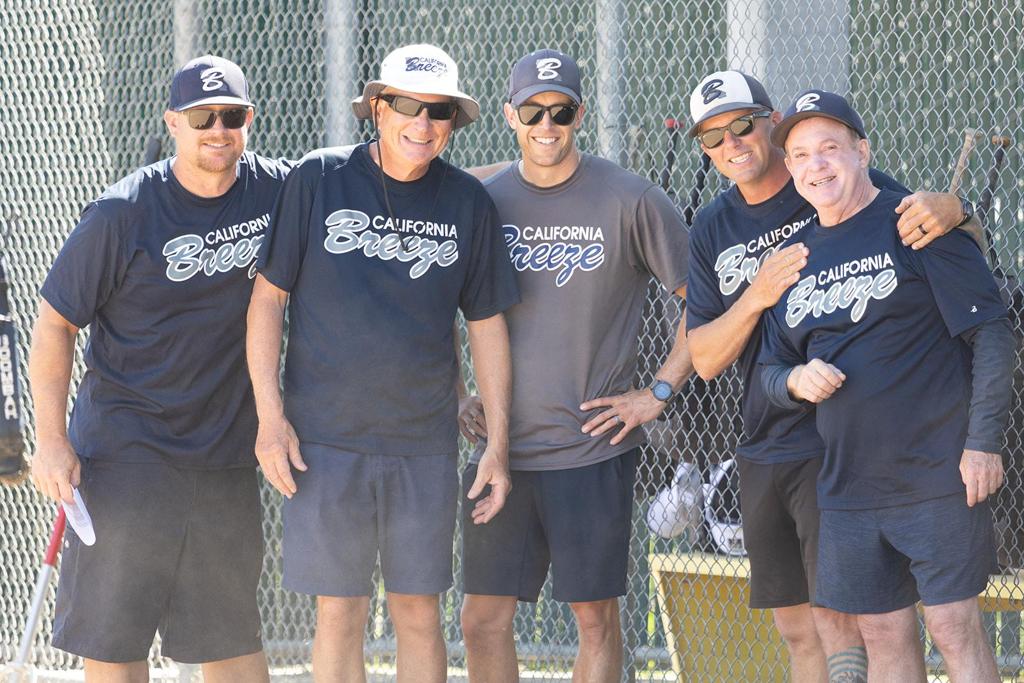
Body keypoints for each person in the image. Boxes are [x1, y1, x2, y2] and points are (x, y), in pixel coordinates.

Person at [684, 70, 981, 682]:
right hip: (766, 434)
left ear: (771, 123)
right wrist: (757, 294)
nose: (732, 143)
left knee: (862, 624)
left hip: (838, 444)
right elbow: (706, 358)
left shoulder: (829, 177)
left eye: (743, 125)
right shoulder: (713, 225)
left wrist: (959, 206)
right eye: (713, 137)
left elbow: (938, 229)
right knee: (800, 628)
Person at [246, 44, 519, 683]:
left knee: (418, 613)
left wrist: (498, 446)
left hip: (422, 444)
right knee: (339, 612)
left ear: (452, 121)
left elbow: (486, 327)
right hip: (324, 441)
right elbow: (267, 301)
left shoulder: (467, 203)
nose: (422, 123)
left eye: (438, 111)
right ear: (376, 107)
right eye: (406, 106)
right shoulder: (318, 179)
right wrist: (270, 419)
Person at [29, 55, 286, 682]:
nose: (217, 130)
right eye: (201, 117)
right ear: (173, 122)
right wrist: (51, 440)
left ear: (249, 120)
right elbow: (55, 326)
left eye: (231, 116)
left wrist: (507, 179)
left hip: (223, 459)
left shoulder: (277, 190)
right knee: (115, 645)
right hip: (127, 457)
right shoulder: (121, 213)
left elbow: (374, 177)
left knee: (231, 641)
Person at [759, 89, 1013, 683]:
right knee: (881, 634)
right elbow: (769, 370)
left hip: (938, 473)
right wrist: (795, 380)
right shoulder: (795, 257)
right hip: (848, 485)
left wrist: (983, 444)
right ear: (789, 167)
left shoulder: (917, 223)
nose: (817, 165)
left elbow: (993, 333)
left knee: (953, 626)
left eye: (830, 148)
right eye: (802, 155)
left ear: (863, 152)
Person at [457, 49, 692, 683]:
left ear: (579, 114)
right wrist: (456, 393)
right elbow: (426, 298)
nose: (546, 125)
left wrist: (658, 391)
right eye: (532, 111)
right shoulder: (481, 200)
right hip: (500, 450)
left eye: (560, 112)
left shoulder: (631, 198)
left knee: (596, 621)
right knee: (481, 619)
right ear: (509, 114)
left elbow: (703, 302)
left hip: (590, 449)